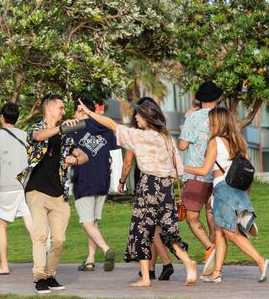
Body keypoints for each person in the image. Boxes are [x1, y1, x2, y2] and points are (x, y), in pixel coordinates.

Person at [77, 98, 198, 288]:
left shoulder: (139, 136)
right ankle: (188, 262)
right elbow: (178, 169)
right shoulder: (165, 137)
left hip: (149, 185)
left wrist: (90, 113)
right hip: (166, 186)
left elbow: (110, 124)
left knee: (142, 230)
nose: (136, 118)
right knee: (167, 228)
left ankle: (145, 278)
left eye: (138, 115)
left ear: (146, 118)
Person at [184, 107, 269, 283]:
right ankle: (216, 272)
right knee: (219, 232)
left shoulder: (215, 141)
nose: (209, 123)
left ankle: (260, 261)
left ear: (218, 122)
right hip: (237, 189)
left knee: (229, 233)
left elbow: (204, 170)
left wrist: (181, 167)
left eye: (211, 120)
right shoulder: (238, 141)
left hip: (222, 188)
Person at [17, 93, 89, 294]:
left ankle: (49, 275)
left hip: (58, 194)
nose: (64, 111)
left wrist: (74, 160)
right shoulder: (35, 128)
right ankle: (39, 277)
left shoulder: (65, 136)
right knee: (40, 235)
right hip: (36, 191)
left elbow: (83, 155)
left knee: (59, 240)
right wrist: (62, 127)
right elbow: (39, 137)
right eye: (61, 107)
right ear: (49, 109)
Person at [116, 97, 174, 281]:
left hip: (145, 181)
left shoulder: (137, 134)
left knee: (149, 226)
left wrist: (121, 182)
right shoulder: (160, 134)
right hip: (163, 181)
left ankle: (164, 263)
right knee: (156, 224)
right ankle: (151, 267)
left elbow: (127, 162)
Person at [177, 81, 222, 278]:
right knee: (212, 216)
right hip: (218, 173)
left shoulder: (193, 118)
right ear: (217, 98)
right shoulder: (222, 117)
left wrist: (184, 125)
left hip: (196, 174)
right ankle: (214, 261)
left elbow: (183, 145)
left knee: (192, 217)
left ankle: (209, 247)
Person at [0, 102, 34, 275]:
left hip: (6, 187)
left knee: (2, 225)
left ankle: (4, 265)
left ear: (2, 117)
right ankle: (42, 260)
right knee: (30, 222)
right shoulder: (25, 135)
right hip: (25, 186)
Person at [70, 98, 116, 272]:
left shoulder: (73, 129)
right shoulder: (107, 129)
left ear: (82, 110)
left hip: (84, 180)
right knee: (93, 222)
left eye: (76, 110)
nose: (74, 114)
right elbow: (113, 154)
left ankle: (106, 249)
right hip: (103, 180)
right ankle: (90, 260)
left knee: (87, 223)